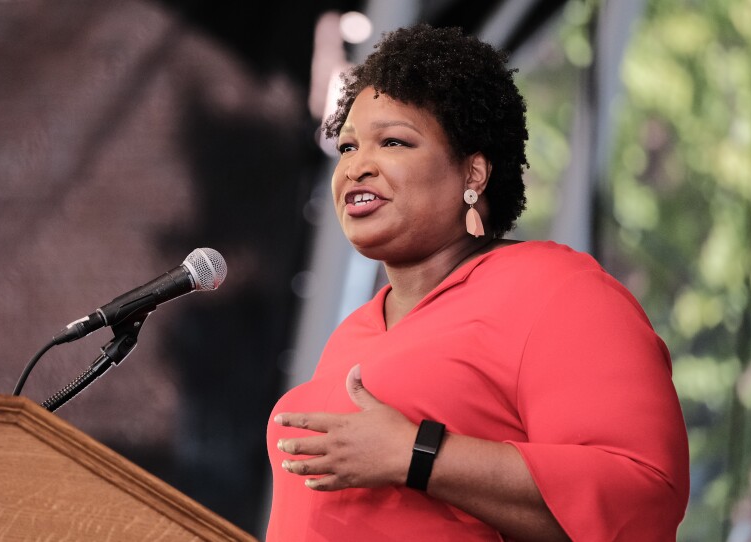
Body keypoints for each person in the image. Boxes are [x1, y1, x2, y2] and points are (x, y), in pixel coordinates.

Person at [266, 24, 689, 541]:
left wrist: (415, 454)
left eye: (393, 141)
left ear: (473, 175)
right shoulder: (354, 333)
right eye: (349, 146)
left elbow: (642, 497)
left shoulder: (556, 290)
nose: (357, 167)